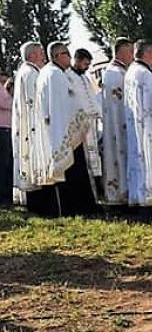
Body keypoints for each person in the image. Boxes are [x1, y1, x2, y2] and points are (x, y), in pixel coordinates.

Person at [35, 42, 98, 215]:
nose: (69, 58)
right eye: (66, 54)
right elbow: (66, 104)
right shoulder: (55, 75)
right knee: (72, 172)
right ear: (57, 56)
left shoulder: (48, 73)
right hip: (65, 131)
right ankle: (78, 208)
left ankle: (76, 207)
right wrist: (82, 118)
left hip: (58, 130)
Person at [12, 42, 51, 213]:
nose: (43, 55)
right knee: (34, 164)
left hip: (30, 128)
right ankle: (39, 205)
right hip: (33, 129)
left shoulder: (26, 71)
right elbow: (35, 104)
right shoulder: (31, 74)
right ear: (32, 56)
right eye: (41, 52)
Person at [124, 40, 152, 208]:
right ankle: (148, 200)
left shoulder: (131, 70)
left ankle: (137, 197)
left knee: (137, 162)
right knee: (147, 163)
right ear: (149, 53)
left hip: (134, 127)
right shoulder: (145, 75)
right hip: (147, 126)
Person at [101, 38, 133, 205]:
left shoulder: (117, 71)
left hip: (119, 123)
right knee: (119, 155)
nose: (133, 56)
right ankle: (120, 193)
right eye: (130, 51)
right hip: (118, 124)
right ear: (121, 52)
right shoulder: (115, 73)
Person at [68, 48, 103, 191]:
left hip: (91, 123)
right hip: (80, 124)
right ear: (76, 60)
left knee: (95, 156)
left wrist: (98, 113)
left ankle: (97, 185)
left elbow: (92, 98)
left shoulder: (85, 78)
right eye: (85, 64)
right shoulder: (68, 76)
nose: (87, 67)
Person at [0, 73, 13, 205]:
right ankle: (3, 196)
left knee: (9, 163)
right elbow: (6, 104)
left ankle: (8, 195)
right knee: (4, 164)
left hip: (8, 128)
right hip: (2, 128)